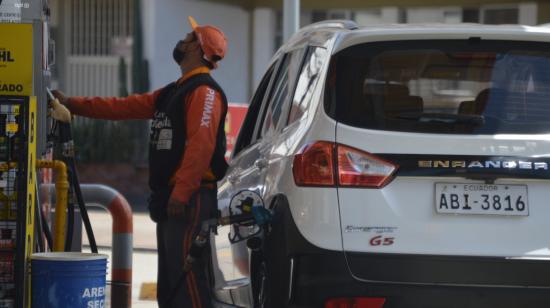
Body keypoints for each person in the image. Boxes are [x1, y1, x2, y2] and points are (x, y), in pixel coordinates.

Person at [53, 16, 228, 308]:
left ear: (198, 49)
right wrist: (72, 103)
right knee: (172, 282)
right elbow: (121, 107)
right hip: (171, 199)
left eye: (188, 38)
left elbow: (200, 147)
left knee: (188, 279)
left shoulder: (204, 92)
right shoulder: (174, 92)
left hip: (189, 200)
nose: (182, 41)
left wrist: (182, 193)